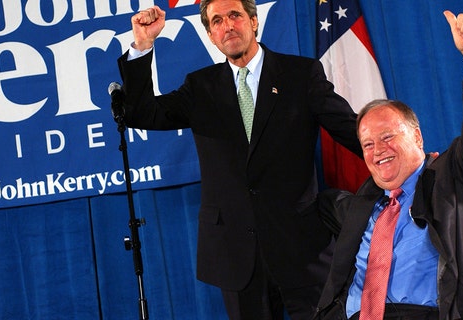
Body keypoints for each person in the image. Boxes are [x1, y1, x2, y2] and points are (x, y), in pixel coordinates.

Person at [116, 0, 363, 318]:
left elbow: (348, 128)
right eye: (217, 21)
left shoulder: (300, 74)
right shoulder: (200, 87)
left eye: (234, 15)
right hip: (235, 254)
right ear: (210, 34)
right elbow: (140, 113)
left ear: (254, 21)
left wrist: (403, 160)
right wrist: (143, 44)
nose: (227, 25)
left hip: (301, 247)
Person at [314, 11, 463, 320]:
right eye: (368, 144)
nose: (378, 150)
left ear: (417, 137)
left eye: (388, 136)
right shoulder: (363, 204)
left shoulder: (459, 177)